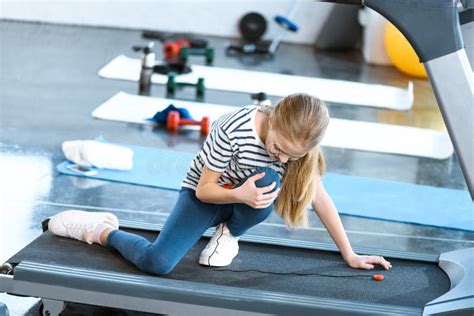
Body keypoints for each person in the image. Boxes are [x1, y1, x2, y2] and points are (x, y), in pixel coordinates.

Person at [49, 93, 392, 275]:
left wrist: (350, 254)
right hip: (205, 194)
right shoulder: (233, 127)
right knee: (157, 264)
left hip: (245, 203)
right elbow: (203, 188)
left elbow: (319, 198)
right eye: (279, 149)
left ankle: (229, 234)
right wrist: (239, 192)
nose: (284, 158)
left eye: (292, 155)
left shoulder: (296, 152)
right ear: (272, 121)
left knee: (271, 180)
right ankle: (100, 228)